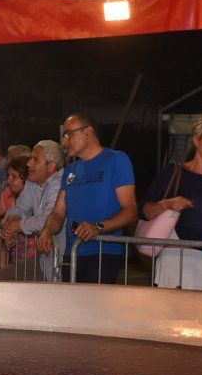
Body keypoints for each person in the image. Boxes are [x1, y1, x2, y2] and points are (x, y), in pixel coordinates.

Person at [41, 115, 136, 285]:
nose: (64, 142)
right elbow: (58, 212)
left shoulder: (117, 160)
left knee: (93, 310)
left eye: (69, 134)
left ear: (88, 132)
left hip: (103, 252)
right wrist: (47, 231)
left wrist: (98, 227)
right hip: (72, 253)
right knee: (71, 309)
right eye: (64, 136)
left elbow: (130, 211)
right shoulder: (70, 170)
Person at [137, 114, 202, 290]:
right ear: (196, 140)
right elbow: (143, 210)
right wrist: (168, 204)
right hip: (174, 260)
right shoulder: (174, 171)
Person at [1, 142, 66, 282]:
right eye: (30, 158)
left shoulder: (60, 183)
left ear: (51, 166)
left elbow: (46, 219)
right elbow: (18, 208)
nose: (29, 163)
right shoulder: (33, 182)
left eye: (35, 159)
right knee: (4, 277)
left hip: (61, 259)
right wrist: (11, 225)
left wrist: (17, 226)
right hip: (44, 258)